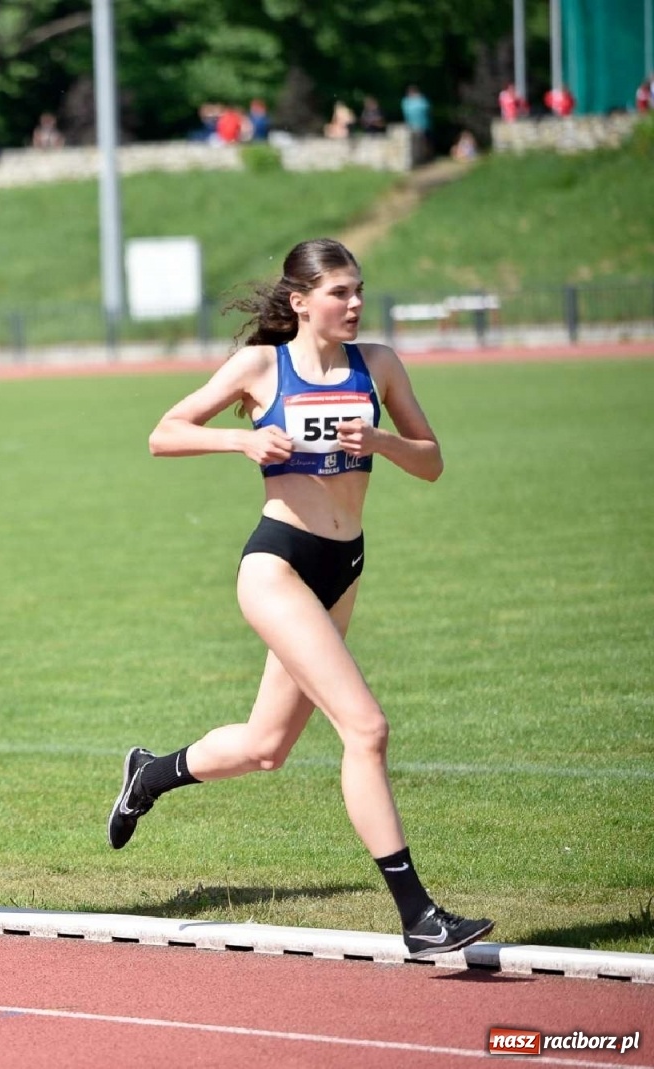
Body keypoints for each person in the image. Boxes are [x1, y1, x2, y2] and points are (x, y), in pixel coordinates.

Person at [106, 239, 493, 960]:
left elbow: (432, 461)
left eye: (358, 291)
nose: (354, 304)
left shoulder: (378, 364)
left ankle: (148, 775)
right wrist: (242, 445)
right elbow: (164, 433)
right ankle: (419, 917)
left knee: (266, 746)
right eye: (340, 292)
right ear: (300, 301)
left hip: (344, 564)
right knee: (366, 729)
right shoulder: (262, 366)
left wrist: (381, 438)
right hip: (278, 565)